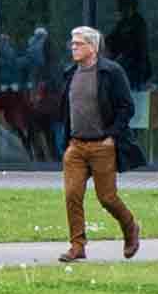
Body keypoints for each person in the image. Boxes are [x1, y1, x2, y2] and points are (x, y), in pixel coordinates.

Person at [57, 22, 143, 264]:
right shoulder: (69, 73)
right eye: (71, 43)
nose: (73, 47)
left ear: (92, 47)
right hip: (76, 146)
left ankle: (130, 228)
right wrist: (67, 141)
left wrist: (111, 137)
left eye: (78, 43)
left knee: (107, 198)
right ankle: (77, 245)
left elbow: (127, 107)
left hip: (102, 146)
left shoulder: (111, 72)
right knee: (72, 194)